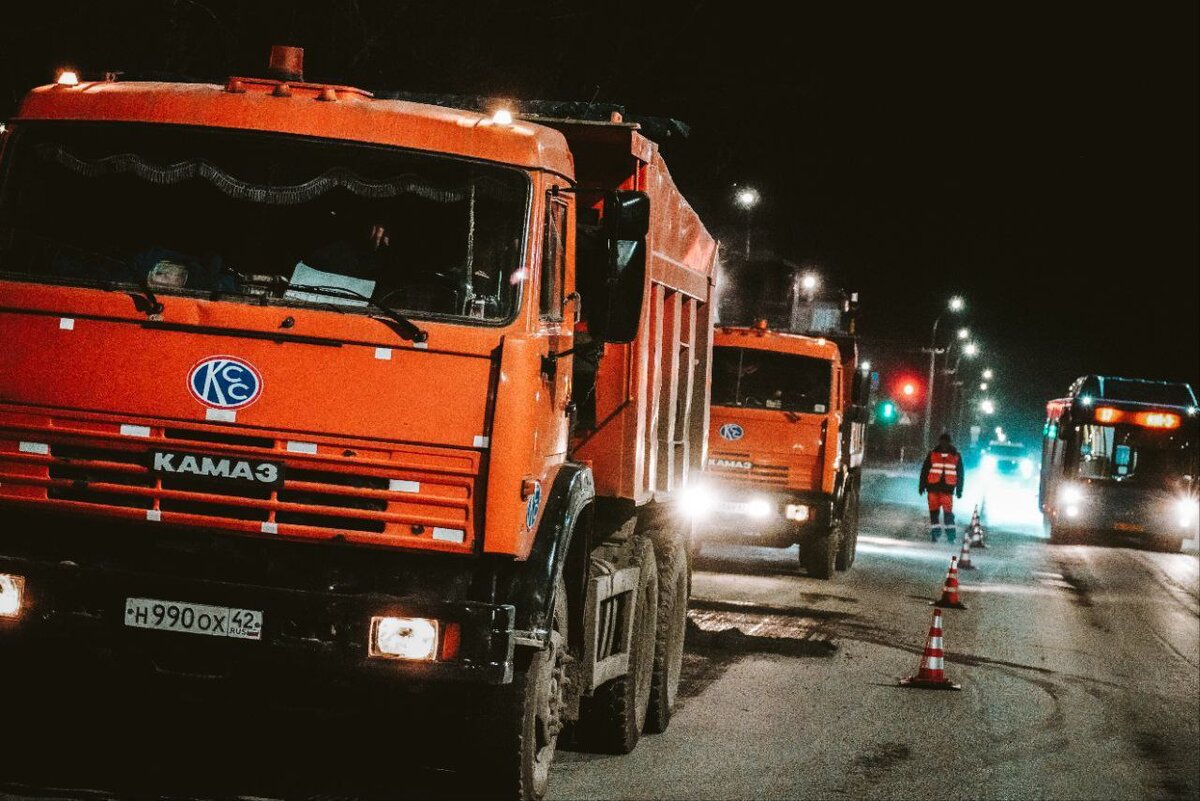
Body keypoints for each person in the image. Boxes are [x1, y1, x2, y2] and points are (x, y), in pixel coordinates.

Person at [919, 433, 965, 543]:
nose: (943, 444)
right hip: (934, 488)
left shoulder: (955, 456)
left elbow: (960, 474)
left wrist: (959, 489)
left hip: (946, 489)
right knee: (934, 512)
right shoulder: (933, 454)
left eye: (945, 442)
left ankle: (950, 536)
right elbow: (925, 471)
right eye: (942, 441)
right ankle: (936, 534)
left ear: (948, 442)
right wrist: (921, 485)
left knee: (947, 513)